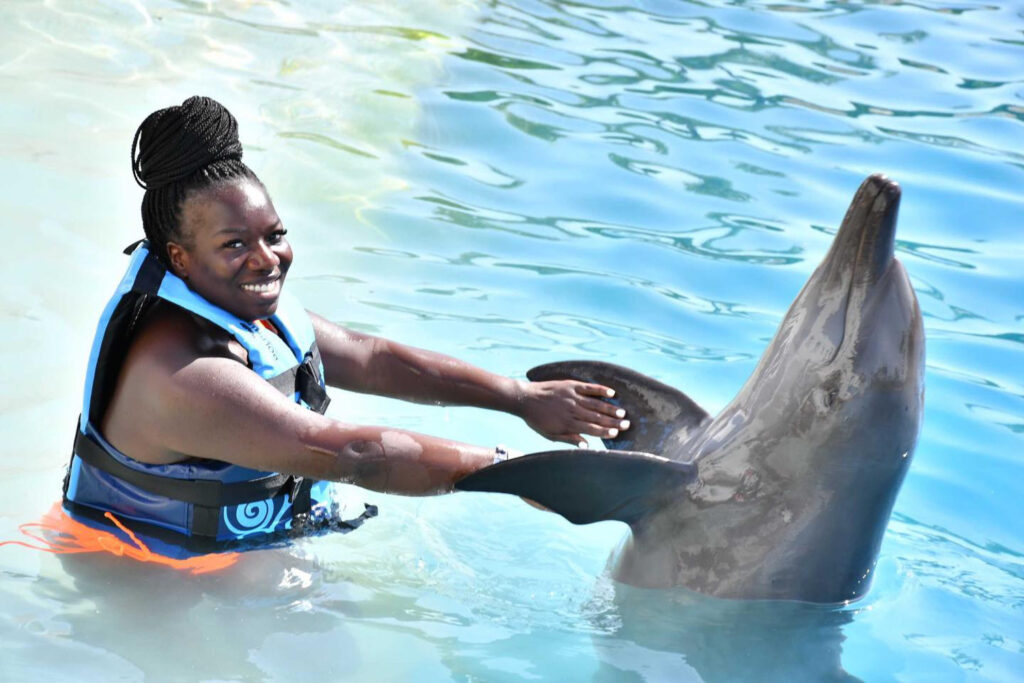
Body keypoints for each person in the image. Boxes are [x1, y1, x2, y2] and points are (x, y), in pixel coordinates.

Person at [62, 96, 629, 554]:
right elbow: (351, 454)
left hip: (239, 559)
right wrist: (511, 472)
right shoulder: (181, 373)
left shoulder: (240, 308)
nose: (266, 259)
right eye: (234, 245)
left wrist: (518, 396)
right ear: (178, 257)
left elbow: (371, 357)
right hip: (151, 585)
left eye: (274, 235)